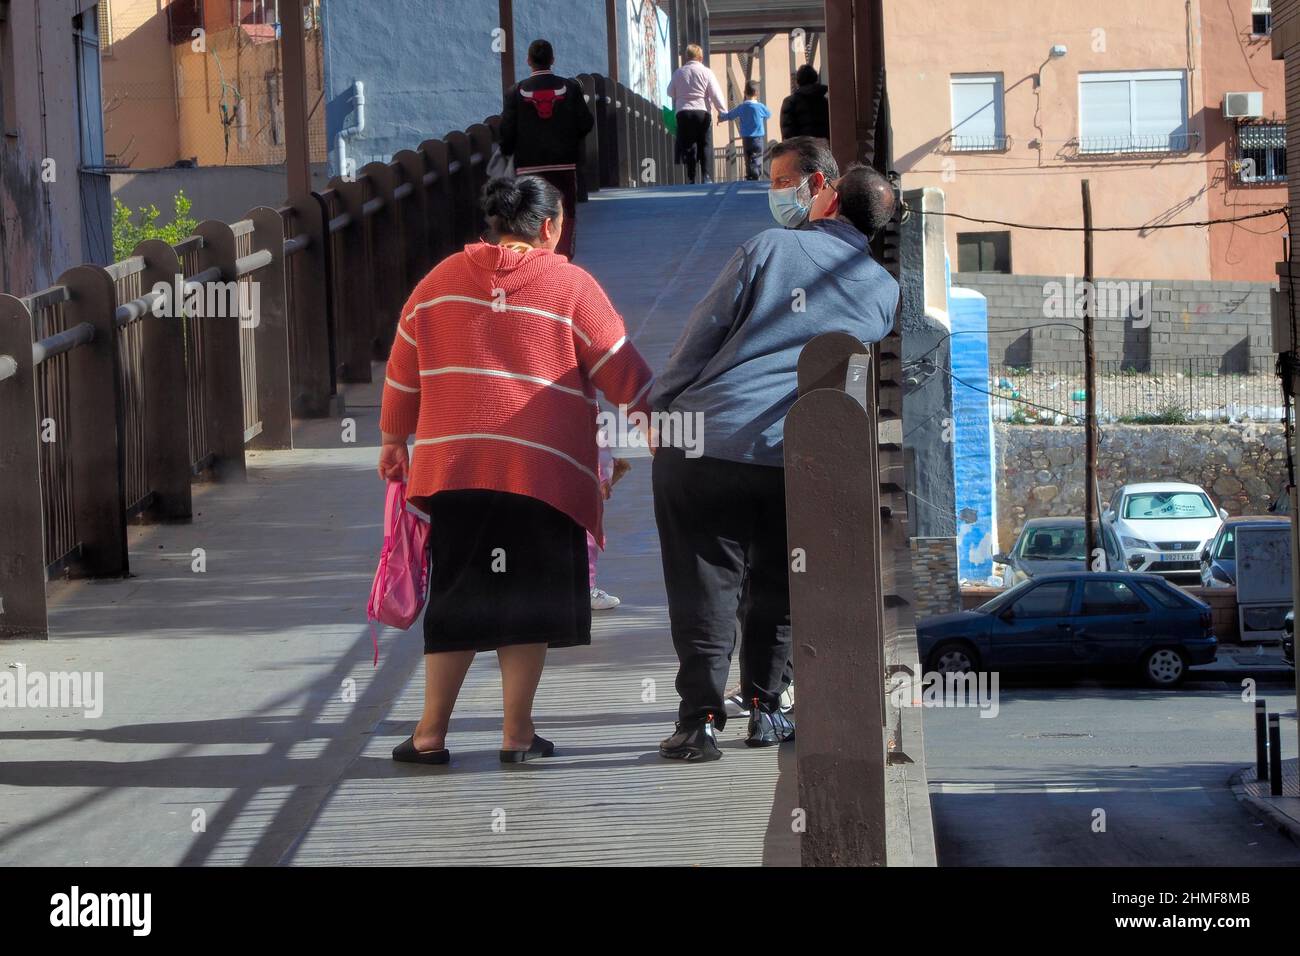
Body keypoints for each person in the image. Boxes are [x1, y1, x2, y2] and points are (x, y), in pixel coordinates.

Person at [378, 175, 654, 765]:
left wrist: (393, 438)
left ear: (492, 223)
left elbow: (404, 364)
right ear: (550, 227)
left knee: (457, 595)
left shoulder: (438, 283)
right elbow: (618, 365)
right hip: (541, 469)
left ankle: (429, 737)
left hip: (455, 465)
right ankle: (517, 735)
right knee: (528, 601)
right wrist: (660, 424)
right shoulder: (570, 284)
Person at [650, 148, 900, 761]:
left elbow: (701, 336)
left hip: (707, 441)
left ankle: (700, 722)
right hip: (801, 455)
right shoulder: (886, 290)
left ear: (828, 196)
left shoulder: (767, 247)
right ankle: (767, 708)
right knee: (779, 583)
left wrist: (661, 406)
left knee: (703, 580)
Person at [499, 39, 595, 259]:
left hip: (528, 166)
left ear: (528, 60)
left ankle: (533, 258)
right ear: (552, 60)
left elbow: (506, 131)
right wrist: (569, 140)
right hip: (564, 163)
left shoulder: (515, 91)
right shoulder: (570, 87)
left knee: (530, 211)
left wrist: (508, 152)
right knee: (566, 211)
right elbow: (586, 123)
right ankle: (562, 257)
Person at [667, 44, 726, 184]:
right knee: (704, 143)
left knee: (689, 145)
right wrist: (722, 111)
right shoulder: (707, 72)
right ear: (701, 57)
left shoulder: (678, 73)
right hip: (702, 112)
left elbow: (670, 92)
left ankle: (691, 177)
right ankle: (706, 176)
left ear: (687, 57)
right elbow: (715, 93)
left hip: (684, 113)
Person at [767, 134, 836, 229]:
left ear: (816, 183)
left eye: (784, 181)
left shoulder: (839, 237)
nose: (774, 190)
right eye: (772, 183)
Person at [718, 81, 771, 181]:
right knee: (758, 156)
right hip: (758, 138)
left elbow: (730, 115)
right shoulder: (760, 107)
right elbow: (768, 114)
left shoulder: (741, 107)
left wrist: (721, 117)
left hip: (746, 138)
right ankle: (757, 171)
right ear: (757, 93)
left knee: (748, 157)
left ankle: (749, 174)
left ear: (745, 93)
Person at [780, 64, 830, 140]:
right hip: (824, 147)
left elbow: (788, 132)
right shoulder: (826, 100)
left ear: (797, 81)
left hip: (802, 148)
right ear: (815, 79)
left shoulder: (790, 102)